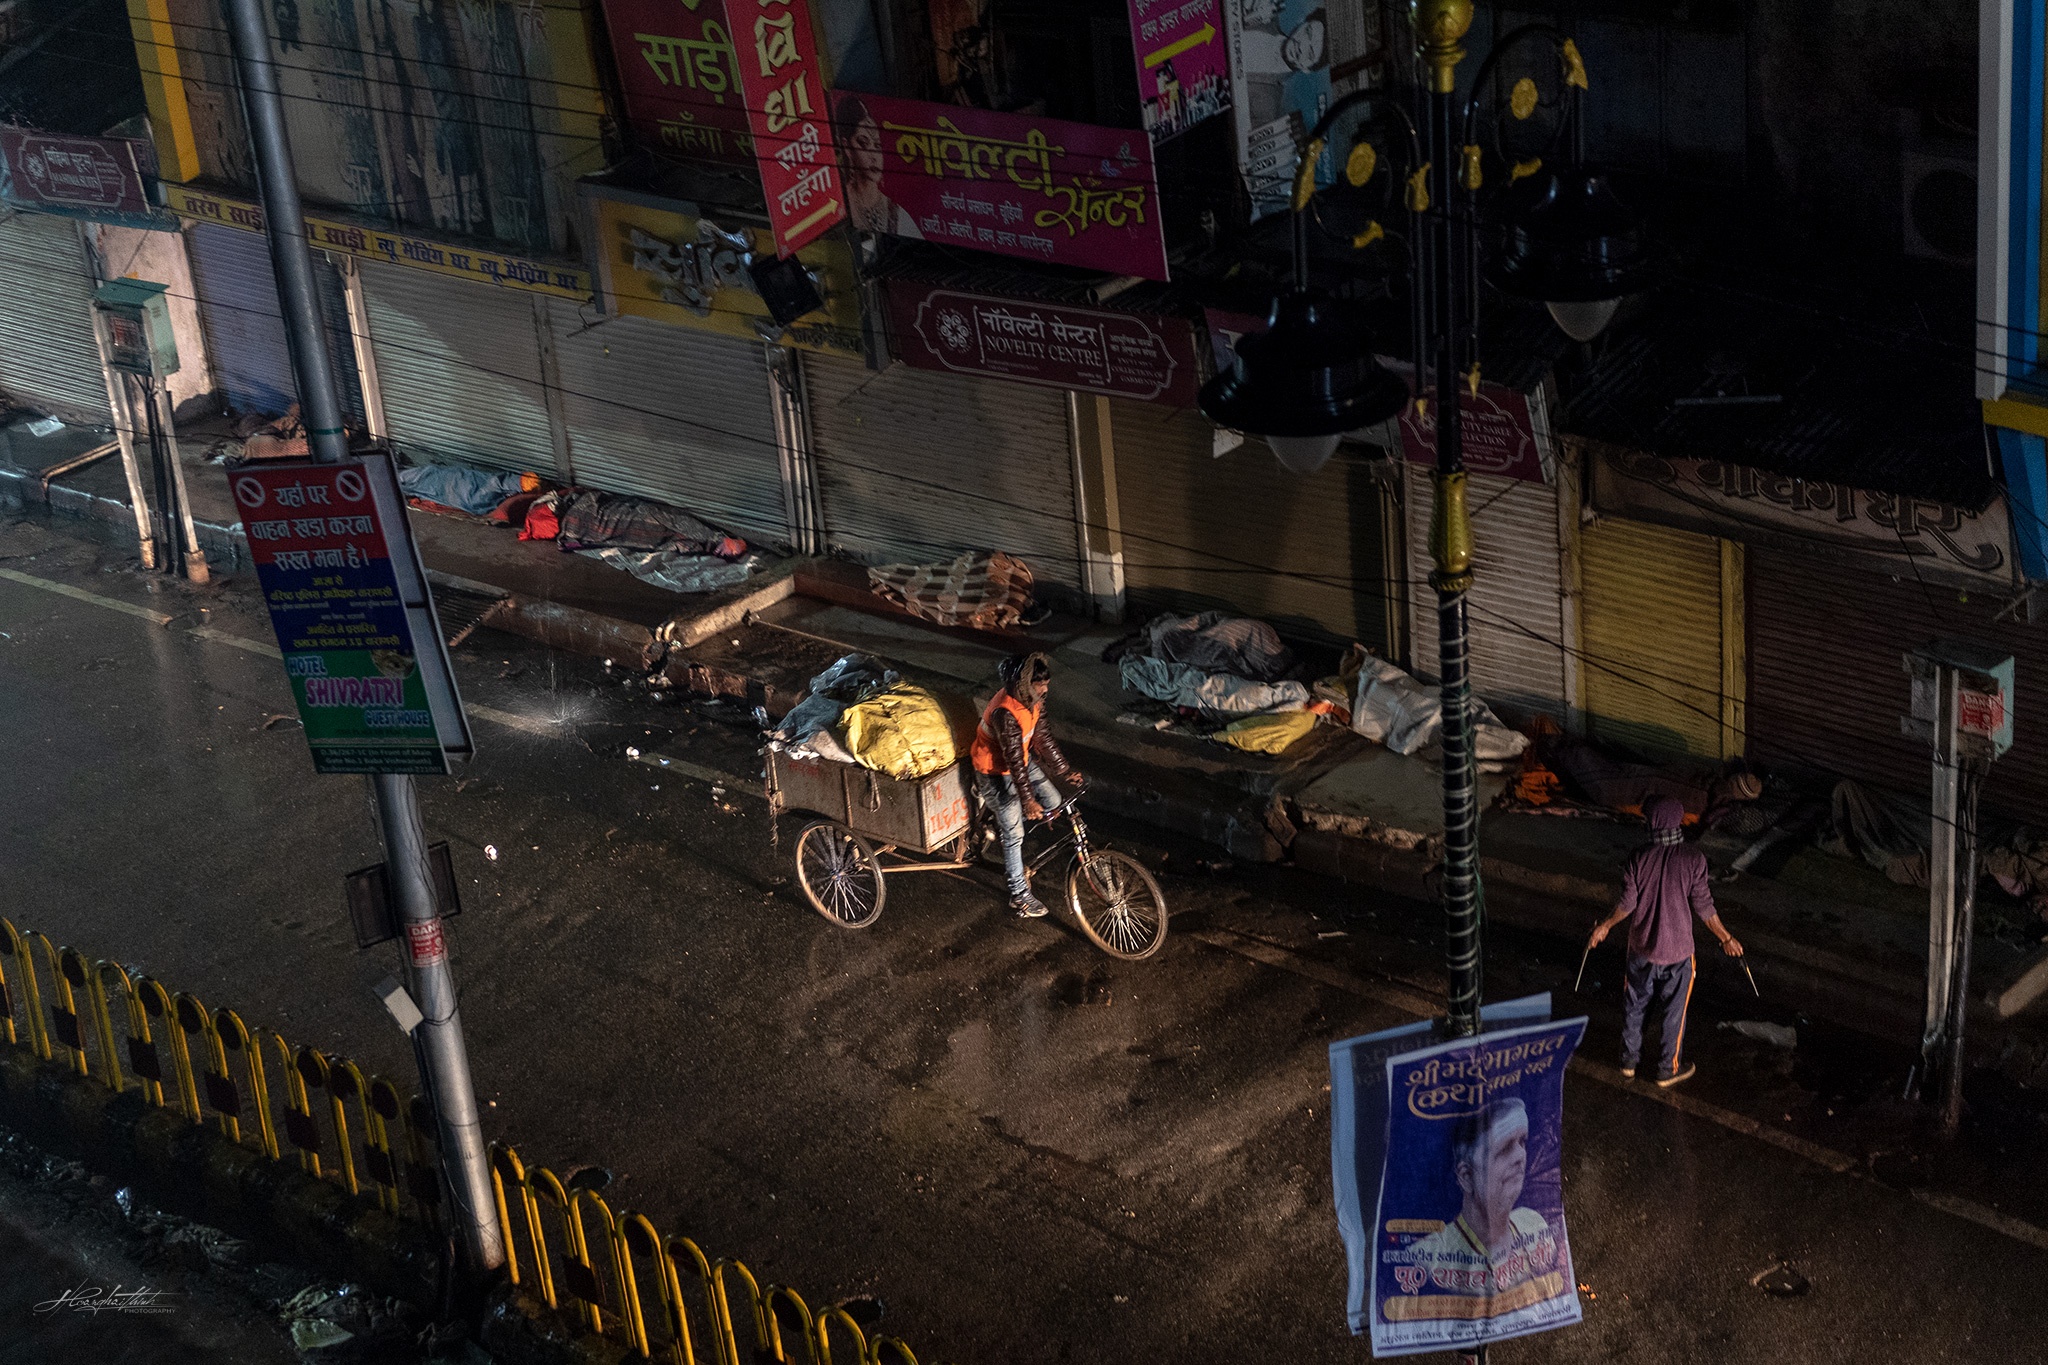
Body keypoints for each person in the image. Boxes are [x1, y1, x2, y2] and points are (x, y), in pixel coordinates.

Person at [1585, 794, 1744, 1087]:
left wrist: (1605, 926)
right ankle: (1667, 1069)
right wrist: (1727, 938)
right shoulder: (1694, 859)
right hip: (1679, 953)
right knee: (1674, 1013)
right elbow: (1704, 906)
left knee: (1635, 1006)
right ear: (1677, 821)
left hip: (1641, 949)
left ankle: (1628, 1062)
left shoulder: (1638, 857)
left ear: (1653, 822)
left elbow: (1627, 903)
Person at [970, 652, 1080, 918]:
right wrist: (1028, 800)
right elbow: (1014, 761)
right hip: (993, 772)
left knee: (1054, 802)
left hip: (1020, 763)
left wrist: (1065, 771)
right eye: (1039, 684)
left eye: (1046, 684)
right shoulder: (1004, 712)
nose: (1045, 690)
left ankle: (1000, 821)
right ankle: (1019, 894)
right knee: (1014, 833)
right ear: (1024, 684)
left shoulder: (1033, 701)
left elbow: (1042, 737)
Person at [1407, 1099, 1560, 1289]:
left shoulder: (1533, 1223)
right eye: (1504, 1149)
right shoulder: (1424, 1257)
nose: (1520, 1156)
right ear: (1467, 1176)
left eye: (1522, 1142)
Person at [834, 93, 924, 240]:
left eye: (877, 146)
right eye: (863, 143)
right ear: (847, 147)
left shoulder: (897, 214)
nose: (874, 156)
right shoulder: (838, 204)